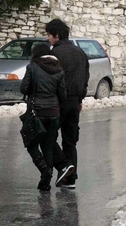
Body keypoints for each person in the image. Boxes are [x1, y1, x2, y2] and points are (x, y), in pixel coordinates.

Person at [20, 43, 75, 191]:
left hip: (36, 113)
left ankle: (44, 170)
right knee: (49, 146)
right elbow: (62, 94)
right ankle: (46, 182)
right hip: (54, 113)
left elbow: (23, 88)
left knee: (31, 143)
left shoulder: (32, 67)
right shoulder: (59, 69)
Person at [46, 18, 90, 189]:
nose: (47, 38)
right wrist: (80, 99)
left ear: (57, 35)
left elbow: (51, 80)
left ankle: (62, 167)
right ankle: (70, 179)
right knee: (70, 141)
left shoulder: (54, 55)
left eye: (49, 34)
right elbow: (85, 77)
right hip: (74, 103)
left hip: (58, 103)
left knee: (48, 136)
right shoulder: (81, 53)